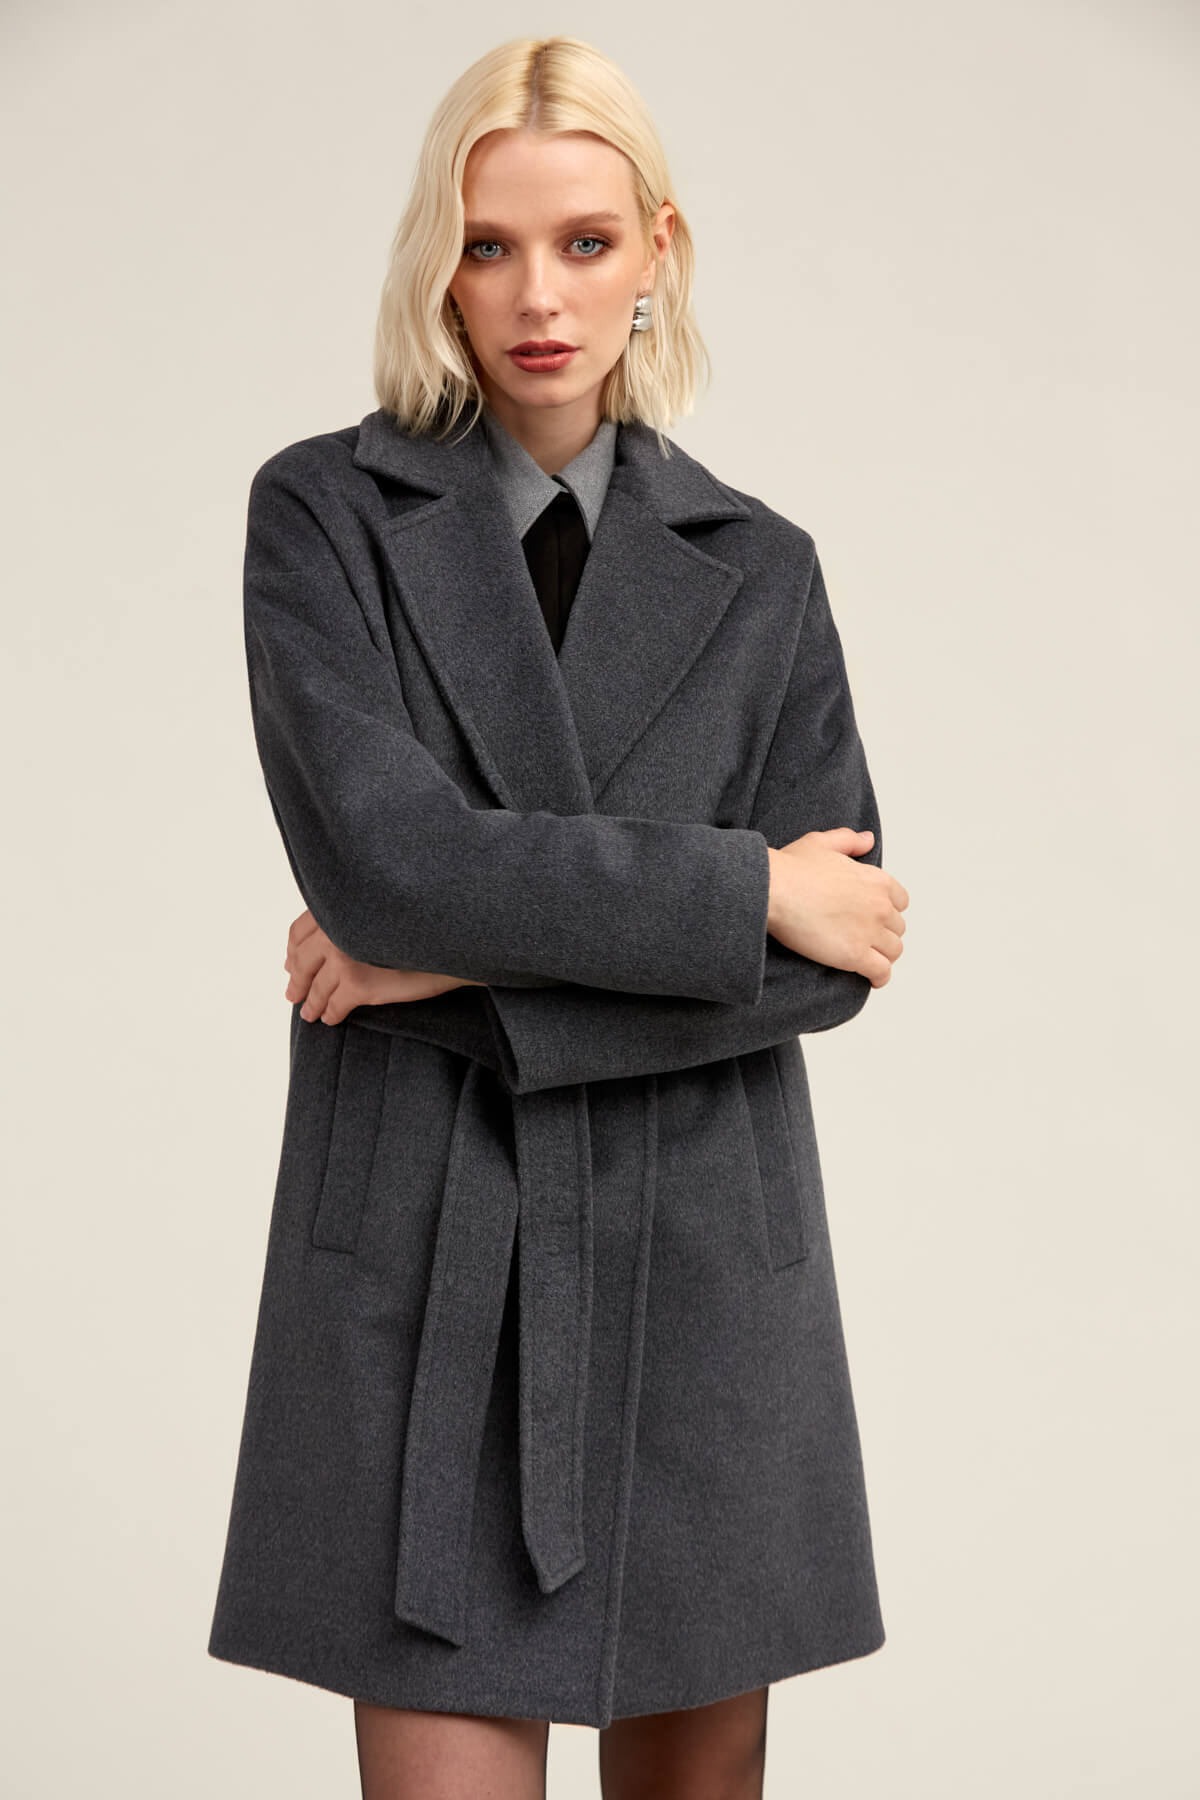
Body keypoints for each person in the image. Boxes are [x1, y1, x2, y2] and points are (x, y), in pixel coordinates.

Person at [208, 33, 909, 1800]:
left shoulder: (760, 565)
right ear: (434, 260)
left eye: (587, 243)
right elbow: (384, 865)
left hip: (700, 1274)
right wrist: (743, 889)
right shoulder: (327, 516)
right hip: (427, 1255)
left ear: (658, 249)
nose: (538, 297)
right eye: (490, 244)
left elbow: (841, 956)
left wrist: (440, 962)